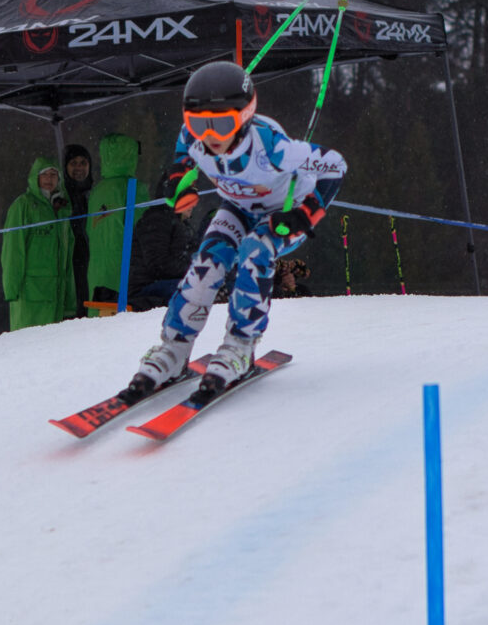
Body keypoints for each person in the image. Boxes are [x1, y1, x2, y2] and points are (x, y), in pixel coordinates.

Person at [124, 62, 346, 399]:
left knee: (256, 252)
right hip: (239, 208)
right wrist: (178, 182)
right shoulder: (193, 136)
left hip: (282, 214)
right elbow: (183, 155)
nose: (211, 136)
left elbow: (336, 166)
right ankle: (174, 348)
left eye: (223, 124)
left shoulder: (272, 148)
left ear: (244, 117)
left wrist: (306, 214)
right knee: (208, 262)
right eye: (199, 123)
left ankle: (241, 345)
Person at [1, 158, 76, 330]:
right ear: (35, 177)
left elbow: (68, 255)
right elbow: (13, 249)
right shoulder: (23, 206)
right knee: (28, 343)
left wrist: (69, 298)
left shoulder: (63, 209)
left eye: (53, 174)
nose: (49, 179)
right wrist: (11, 288)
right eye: (44, 174)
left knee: (52, 344)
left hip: (57, 296)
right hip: (29, 297)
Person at [86, 133, 149, 307]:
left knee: (98, 312)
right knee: (122, 317)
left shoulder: (97, 191)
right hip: (125, 268)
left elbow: (89, 230)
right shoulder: (134, 188)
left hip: (97, 269)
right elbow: (143, 229)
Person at [127, 167, 198, 311]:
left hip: (167, 283)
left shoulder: (181, 224)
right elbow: (158, 266)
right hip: (146, 288)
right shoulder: (157, 219)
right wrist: (193, 269)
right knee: (198, 290)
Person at [63, 143, 93, 316]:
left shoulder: (94, 193)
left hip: (91, 260)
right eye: (73, 163)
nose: (79, 168)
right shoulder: (61, 196)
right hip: (69, 260)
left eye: (83, 163)